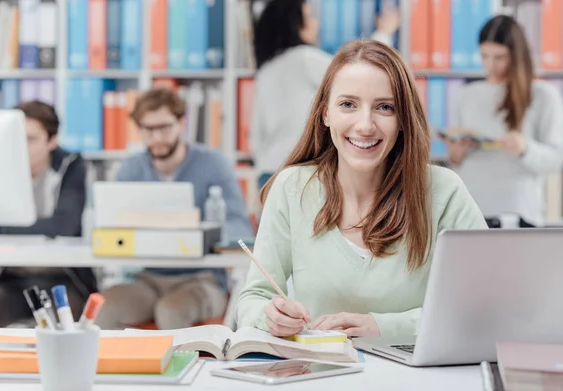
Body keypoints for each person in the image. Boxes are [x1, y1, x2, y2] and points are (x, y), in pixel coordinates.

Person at [234, 39, 487, 338]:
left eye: (385, 107)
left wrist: (382, 327)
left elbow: (483, 307)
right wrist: (269, 318)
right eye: (348, 105)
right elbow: (252, 300)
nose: (365, 125)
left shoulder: (444, 192)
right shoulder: (292, 187)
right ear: (325, 113)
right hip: (321, 377)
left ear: (404, 119)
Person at [94, 88, 253, 330]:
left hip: (202, 278)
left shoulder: (213, 164)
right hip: (149, 277)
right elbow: (113, 222)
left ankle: (179, 369)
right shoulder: (130, 169)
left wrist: (202, 232)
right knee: (105, 305)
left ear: (181, 124)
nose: (157, 137)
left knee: (170, 309)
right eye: (148, 129)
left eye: (165, 127)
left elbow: (239, 225)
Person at [0, 100, 97, 327]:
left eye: (31, 139)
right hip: (13, 280)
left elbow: (65, 226)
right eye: (15, 139)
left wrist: (0, 227)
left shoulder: (71, 167)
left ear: (51, 141)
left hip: (62, 280)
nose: (21, 147)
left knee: (51, 329)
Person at [249, 0, 400, 189]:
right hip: (299, 172)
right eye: (310, 17)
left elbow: (256, 136)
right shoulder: (303, 58)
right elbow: (361, 73)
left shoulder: (265, 71)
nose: (317, 24)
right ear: (295, 24)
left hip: (267, 174)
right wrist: (384, 33)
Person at [444, 15, 563, 227]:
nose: (490, 65)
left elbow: (557, 158)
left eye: (499, 57)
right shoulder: (466, 94)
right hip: (471, 209)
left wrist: (525, 149)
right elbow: (455, 160)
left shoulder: (543, 95)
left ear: (517, 56)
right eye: (484, 56)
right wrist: (457, 151)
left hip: (518, 211)